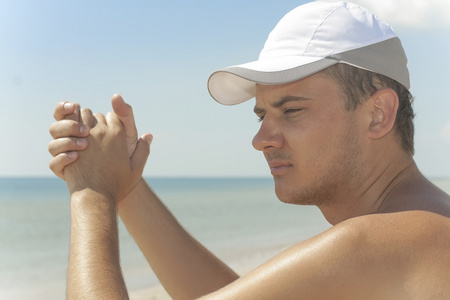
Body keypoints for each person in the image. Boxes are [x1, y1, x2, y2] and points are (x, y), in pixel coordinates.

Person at [48, 2, 450, 299]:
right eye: (261, 116)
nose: (261, 140)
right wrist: (128, 189)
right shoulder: (422, 226)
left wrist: (91, 193)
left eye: (291, 110)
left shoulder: (393, 239)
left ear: (378, 114)